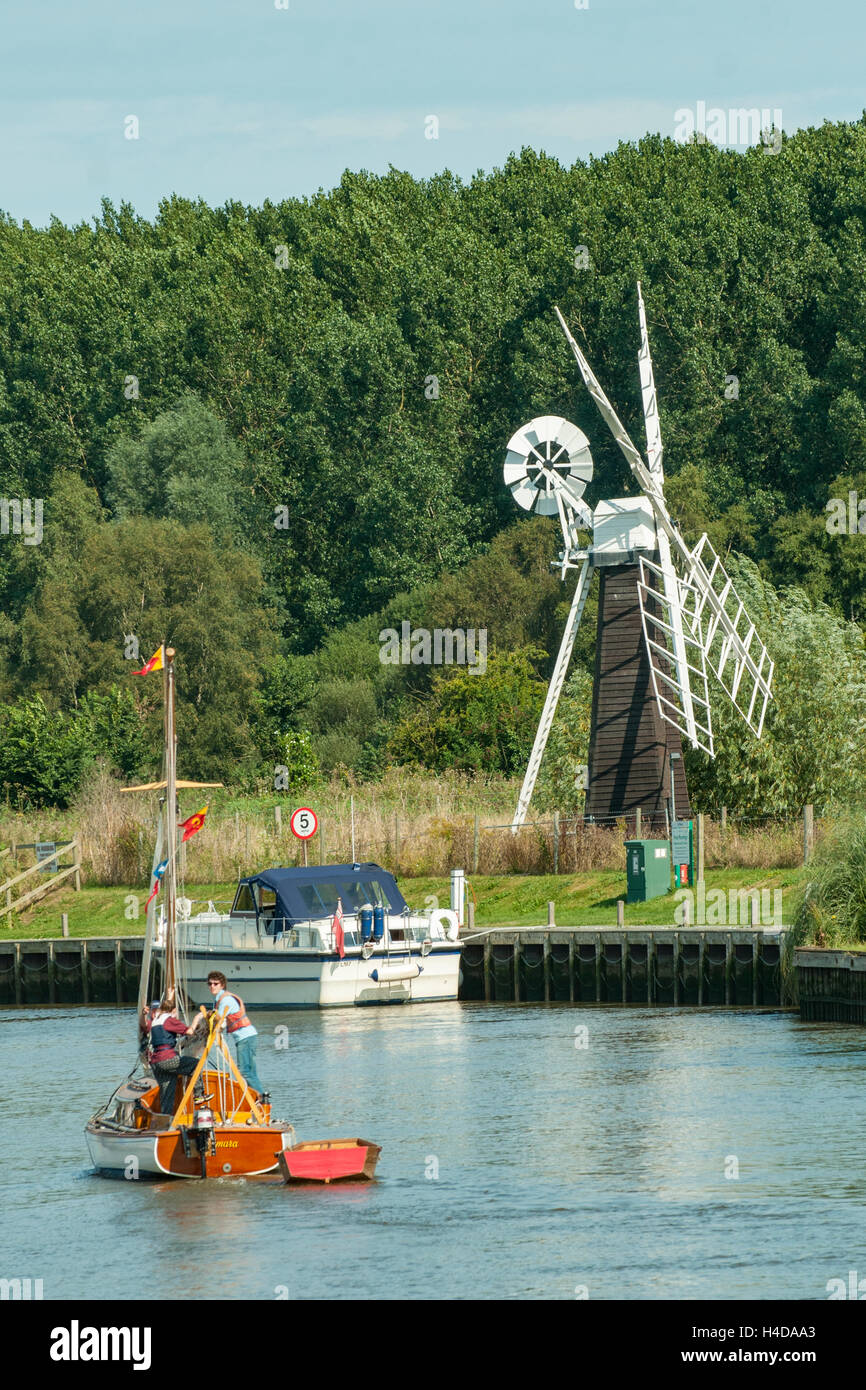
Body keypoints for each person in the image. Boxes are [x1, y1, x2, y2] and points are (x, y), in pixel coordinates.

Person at [201, 971, 263, 1093]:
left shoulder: (226, 1000)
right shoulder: (220, 999)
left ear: (222, 985)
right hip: (246, 1038)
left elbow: (218, 1020)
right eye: (210, 984)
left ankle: (260, 1099)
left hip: (246, 1038)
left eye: (215, 984)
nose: (212, 986)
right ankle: (257, 1098)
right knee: (250, 1071)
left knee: (245, 1071)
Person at [141, 988, 200, 1114]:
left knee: (167, 1095)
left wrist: (170, 996)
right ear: (173, 1011)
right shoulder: (169, 1020)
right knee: (196, 1064)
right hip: (167, 1059)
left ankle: (165, 1120)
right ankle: (199, 1094)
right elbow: (190, 1032)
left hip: (156, 1063)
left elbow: (166, 1008)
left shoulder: (156, 1020)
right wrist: (197, 1019)